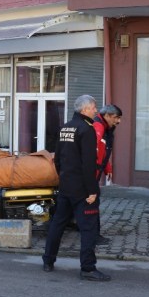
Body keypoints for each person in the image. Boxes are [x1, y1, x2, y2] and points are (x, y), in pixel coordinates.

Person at [42, 94, 110, 281]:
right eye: (94, 107)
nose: (96, 111)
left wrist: (63, 177)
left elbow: (57, 159)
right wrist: (92, 191)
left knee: (57, 224)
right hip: (82, 189)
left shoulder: (65, 127)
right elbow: (88, 164)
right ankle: (88, 268)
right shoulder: (86, 129)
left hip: (65, 185)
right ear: (85, 109)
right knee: (88, 229)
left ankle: (48, 260)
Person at [93, 104, 122, 245]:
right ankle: (94, 236)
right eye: (116, 117)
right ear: (107, 116)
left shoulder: (107, 128)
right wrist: (91, 177)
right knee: (92, 206)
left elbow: (104, 152)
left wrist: (107, 167)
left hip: (93, 173)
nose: (118, 121)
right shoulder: (98, 127)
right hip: (91, 174)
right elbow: (92, 152)